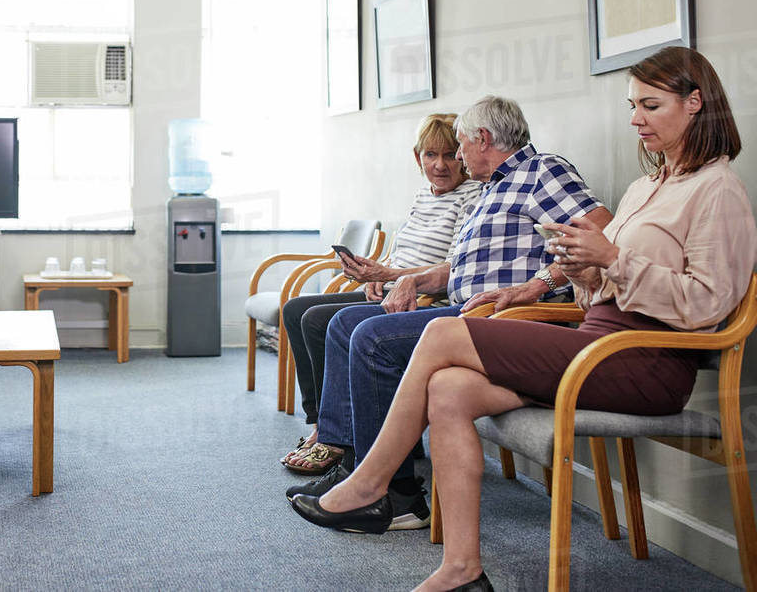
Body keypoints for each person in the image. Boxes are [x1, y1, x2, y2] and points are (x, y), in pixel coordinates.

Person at [291, 47, 757, 592]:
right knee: (448, 388)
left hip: (644, 363)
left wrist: (611, 259)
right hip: (596, 341)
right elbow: (607, 289)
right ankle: (461, 571)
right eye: (634, 105)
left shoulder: (718, 190)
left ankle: (371, 483)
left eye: (650, 105)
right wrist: (580, 273)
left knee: (442, 331)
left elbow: (710, 306)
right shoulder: (645, 187)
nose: (635, 119)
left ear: (696, 103)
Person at [285, 96, 612, 532]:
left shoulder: (542, 171)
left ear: (483, 139)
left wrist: (538, 285)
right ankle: (358, 471)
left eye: (459, 146)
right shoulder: (492, 188)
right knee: (346, 323)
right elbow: (459, 270)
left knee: (371, 337)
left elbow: (603, 232)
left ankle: (398, 497)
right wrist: (412, 281)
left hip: (509, 319)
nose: (455, 157)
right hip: (464, 309)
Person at [282, 113, 482, 474]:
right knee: (297, 310)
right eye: (430, 155)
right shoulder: (423, 196)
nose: (440, 165)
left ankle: (336, 437)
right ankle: (322, 425)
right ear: (417, 157)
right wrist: (377, 272)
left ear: (464, 158)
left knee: (321, 321)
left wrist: (389, 274)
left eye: (450, 155)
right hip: (390, 288)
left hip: (421, 298)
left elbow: (452, 266)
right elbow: (405, 250)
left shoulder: (470, 197)